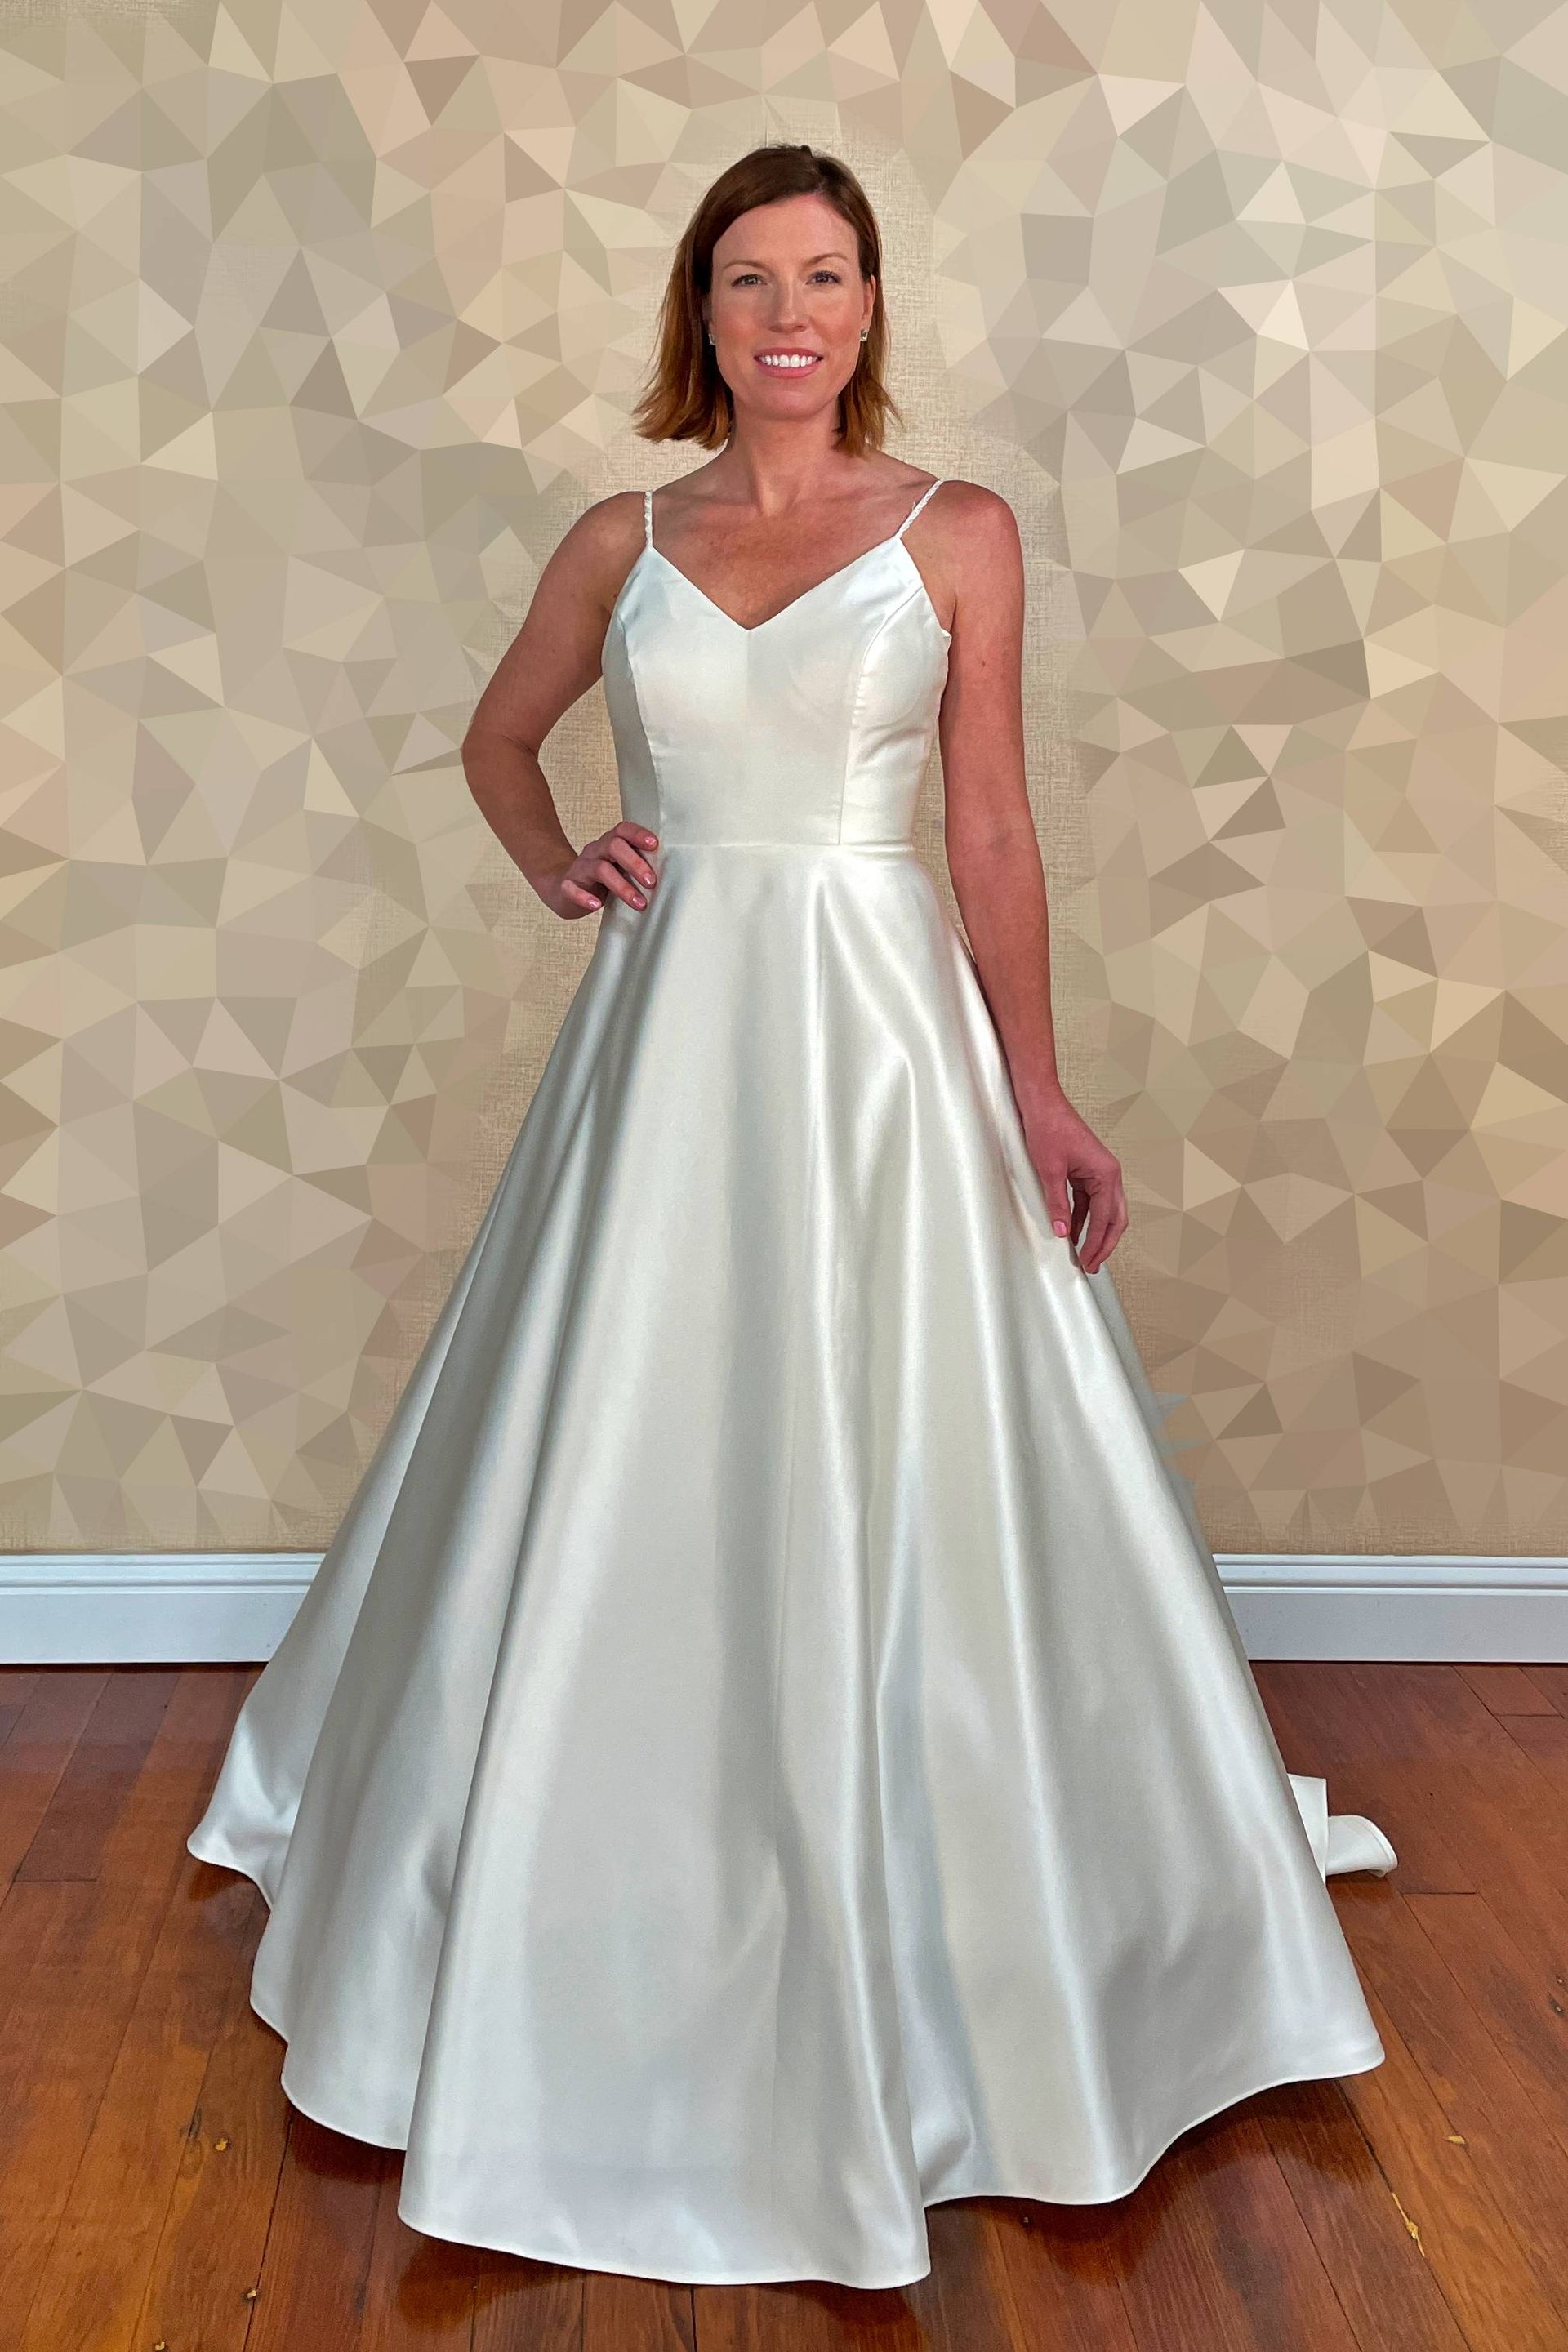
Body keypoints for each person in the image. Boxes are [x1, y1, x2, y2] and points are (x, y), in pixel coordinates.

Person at [188, 140, 1396, 2292]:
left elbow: (995, 834)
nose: (788, 318)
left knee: (889, 1425)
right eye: (748, 281)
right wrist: (568, 856)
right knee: (627, 1421)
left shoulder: (958, 534)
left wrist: (1037, 1086)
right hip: (665, 1046)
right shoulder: (620, 537)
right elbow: (497, 744)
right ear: (702, 315)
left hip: (873, 1050)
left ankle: (977, 1908)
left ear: (866, 307)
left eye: (823, 276)